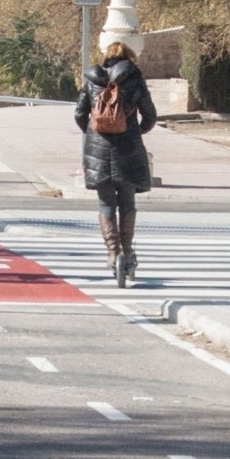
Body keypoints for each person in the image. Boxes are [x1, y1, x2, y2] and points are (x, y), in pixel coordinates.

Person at [77, 39, 158, 284]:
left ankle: (112, 253)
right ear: (128, 57)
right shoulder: (134, 78)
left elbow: (80, 114)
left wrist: (93, 132)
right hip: (128, 148)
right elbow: (150, 115)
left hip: (97, 150)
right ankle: (128, 251)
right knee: (127, 202)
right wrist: (137, 130)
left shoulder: (92, 79)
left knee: (105, 204)